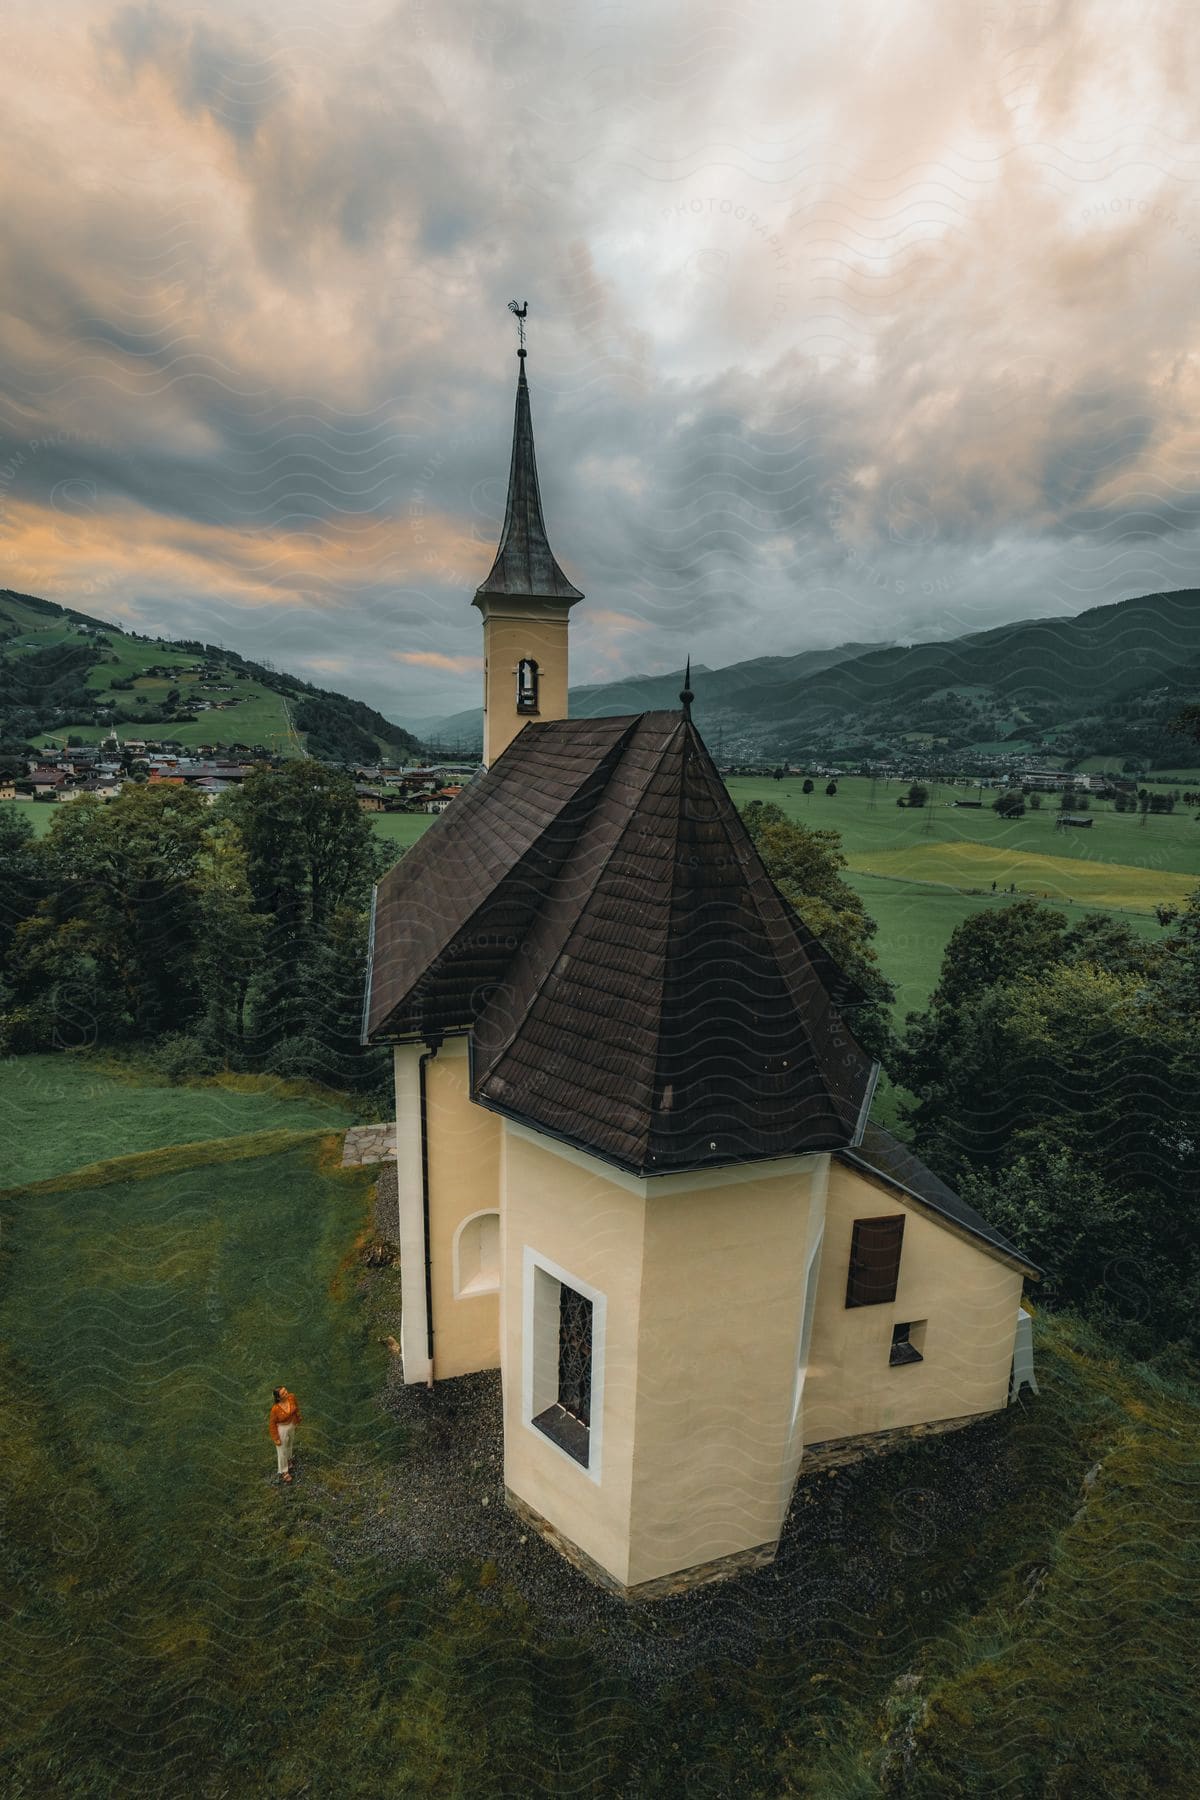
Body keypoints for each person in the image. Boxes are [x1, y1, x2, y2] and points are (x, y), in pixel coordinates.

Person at [269, 1385, 302, 1483]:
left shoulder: (292, 1397)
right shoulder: (275, 1409)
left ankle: (288, 1460)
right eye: (283, 1393)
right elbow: (272, 1424)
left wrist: (298, 1417)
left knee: (290, 1444)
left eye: (285, 1390)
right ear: (278, 1397)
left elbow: (296, 1408)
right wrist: (276, 1438)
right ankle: (284, 1471)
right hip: (281, 1429)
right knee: (281, 1450)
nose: (286, 1393)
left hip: (292, 1425)